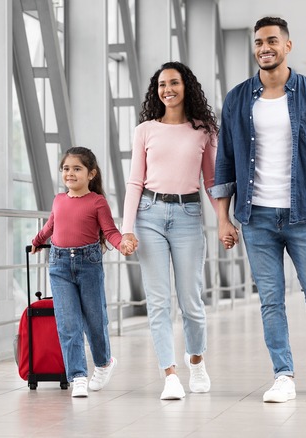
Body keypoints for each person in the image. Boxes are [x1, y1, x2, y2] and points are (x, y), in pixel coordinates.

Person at [209, 16, 306, 403]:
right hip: (256, 216)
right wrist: (223, 218)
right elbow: (224, 162)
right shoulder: (238, 99)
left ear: (288, 46)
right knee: (271, 299)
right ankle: (283, 374)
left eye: (272, 40)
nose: (264, 48)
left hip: (305, 215)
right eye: (258, 42)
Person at [120, 61, 218, 400]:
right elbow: (135, 181)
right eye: (162, 84)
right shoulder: (145, 130)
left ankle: (196, 360)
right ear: (156, 90)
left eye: (174, 83)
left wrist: (224, 219)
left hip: (189, 215)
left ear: (186, 87)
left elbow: (212, 181)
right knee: (159, 302)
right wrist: (126, 230)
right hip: (149, 215)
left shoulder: (203, 130)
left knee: (191, 300)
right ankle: (170, 375)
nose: (167, 90)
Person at [31, 147, 133, 398]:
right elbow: (50, 226)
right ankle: (77, 376)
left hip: (88, 265)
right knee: (68, 323)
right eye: (66, 168)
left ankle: (104, 363)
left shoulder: (97, 202)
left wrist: (122, 244)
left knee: (95, 321)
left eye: (77, 169)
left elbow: (109, 231)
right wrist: (37, 240)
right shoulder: (58, 200)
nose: (70, 173)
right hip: (59, 266)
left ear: (91, 174)